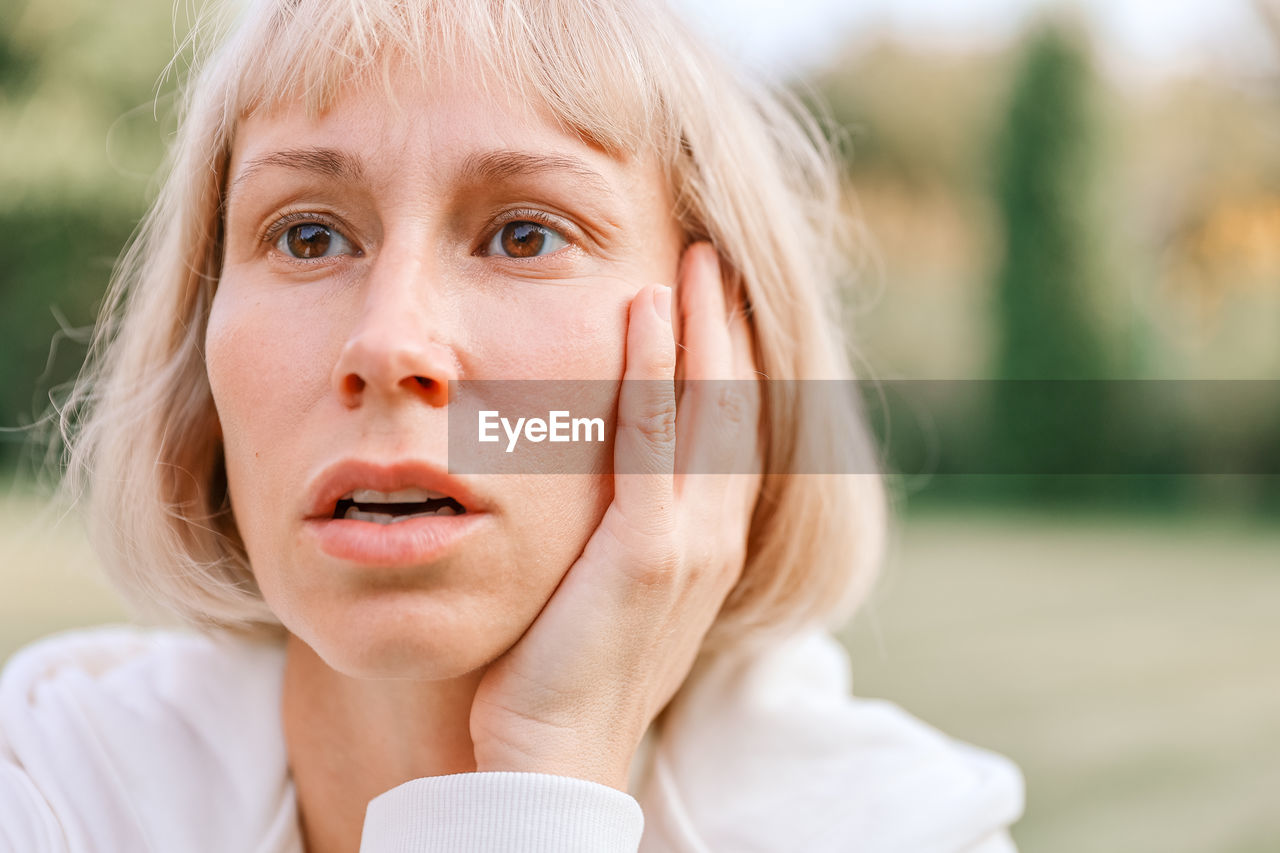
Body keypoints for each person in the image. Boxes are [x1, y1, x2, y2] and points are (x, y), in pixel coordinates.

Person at [1, 0, 1024, 850]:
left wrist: (551, 760)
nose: (389, 344)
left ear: (722, 366)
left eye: (523, 233)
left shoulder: (905, 828)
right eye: (308, 234)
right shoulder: (54, 787)